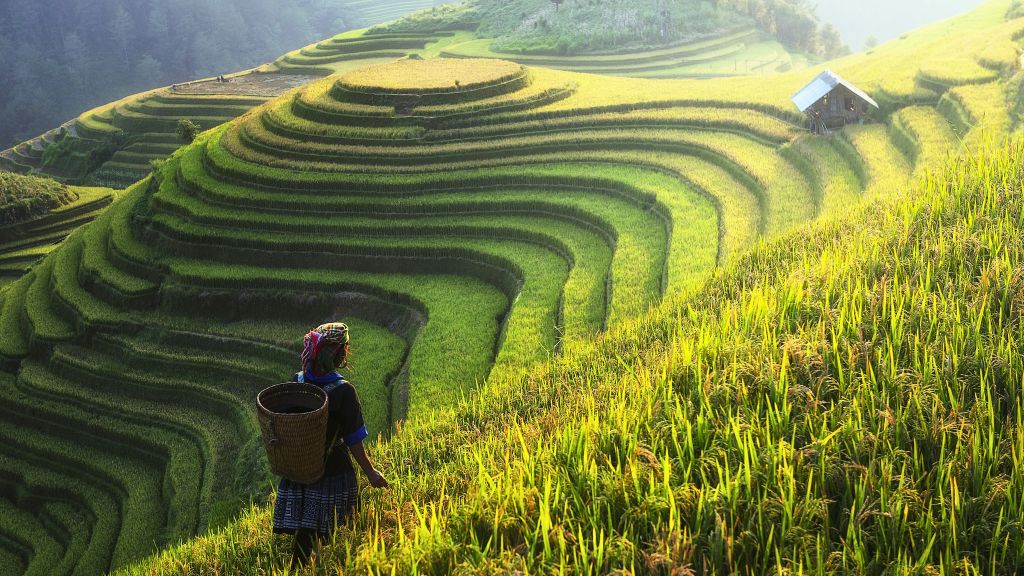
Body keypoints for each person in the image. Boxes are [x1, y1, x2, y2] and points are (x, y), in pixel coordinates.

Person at [271, 322, 389, 566]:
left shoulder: (299, 381)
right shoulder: (343, 392)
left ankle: (300, 568)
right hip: (332, 469)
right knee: (332, 531)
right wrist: (371, 472)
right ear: (341, 353)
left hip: (301, 468)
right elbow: (354, 440)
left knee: (306, 532)